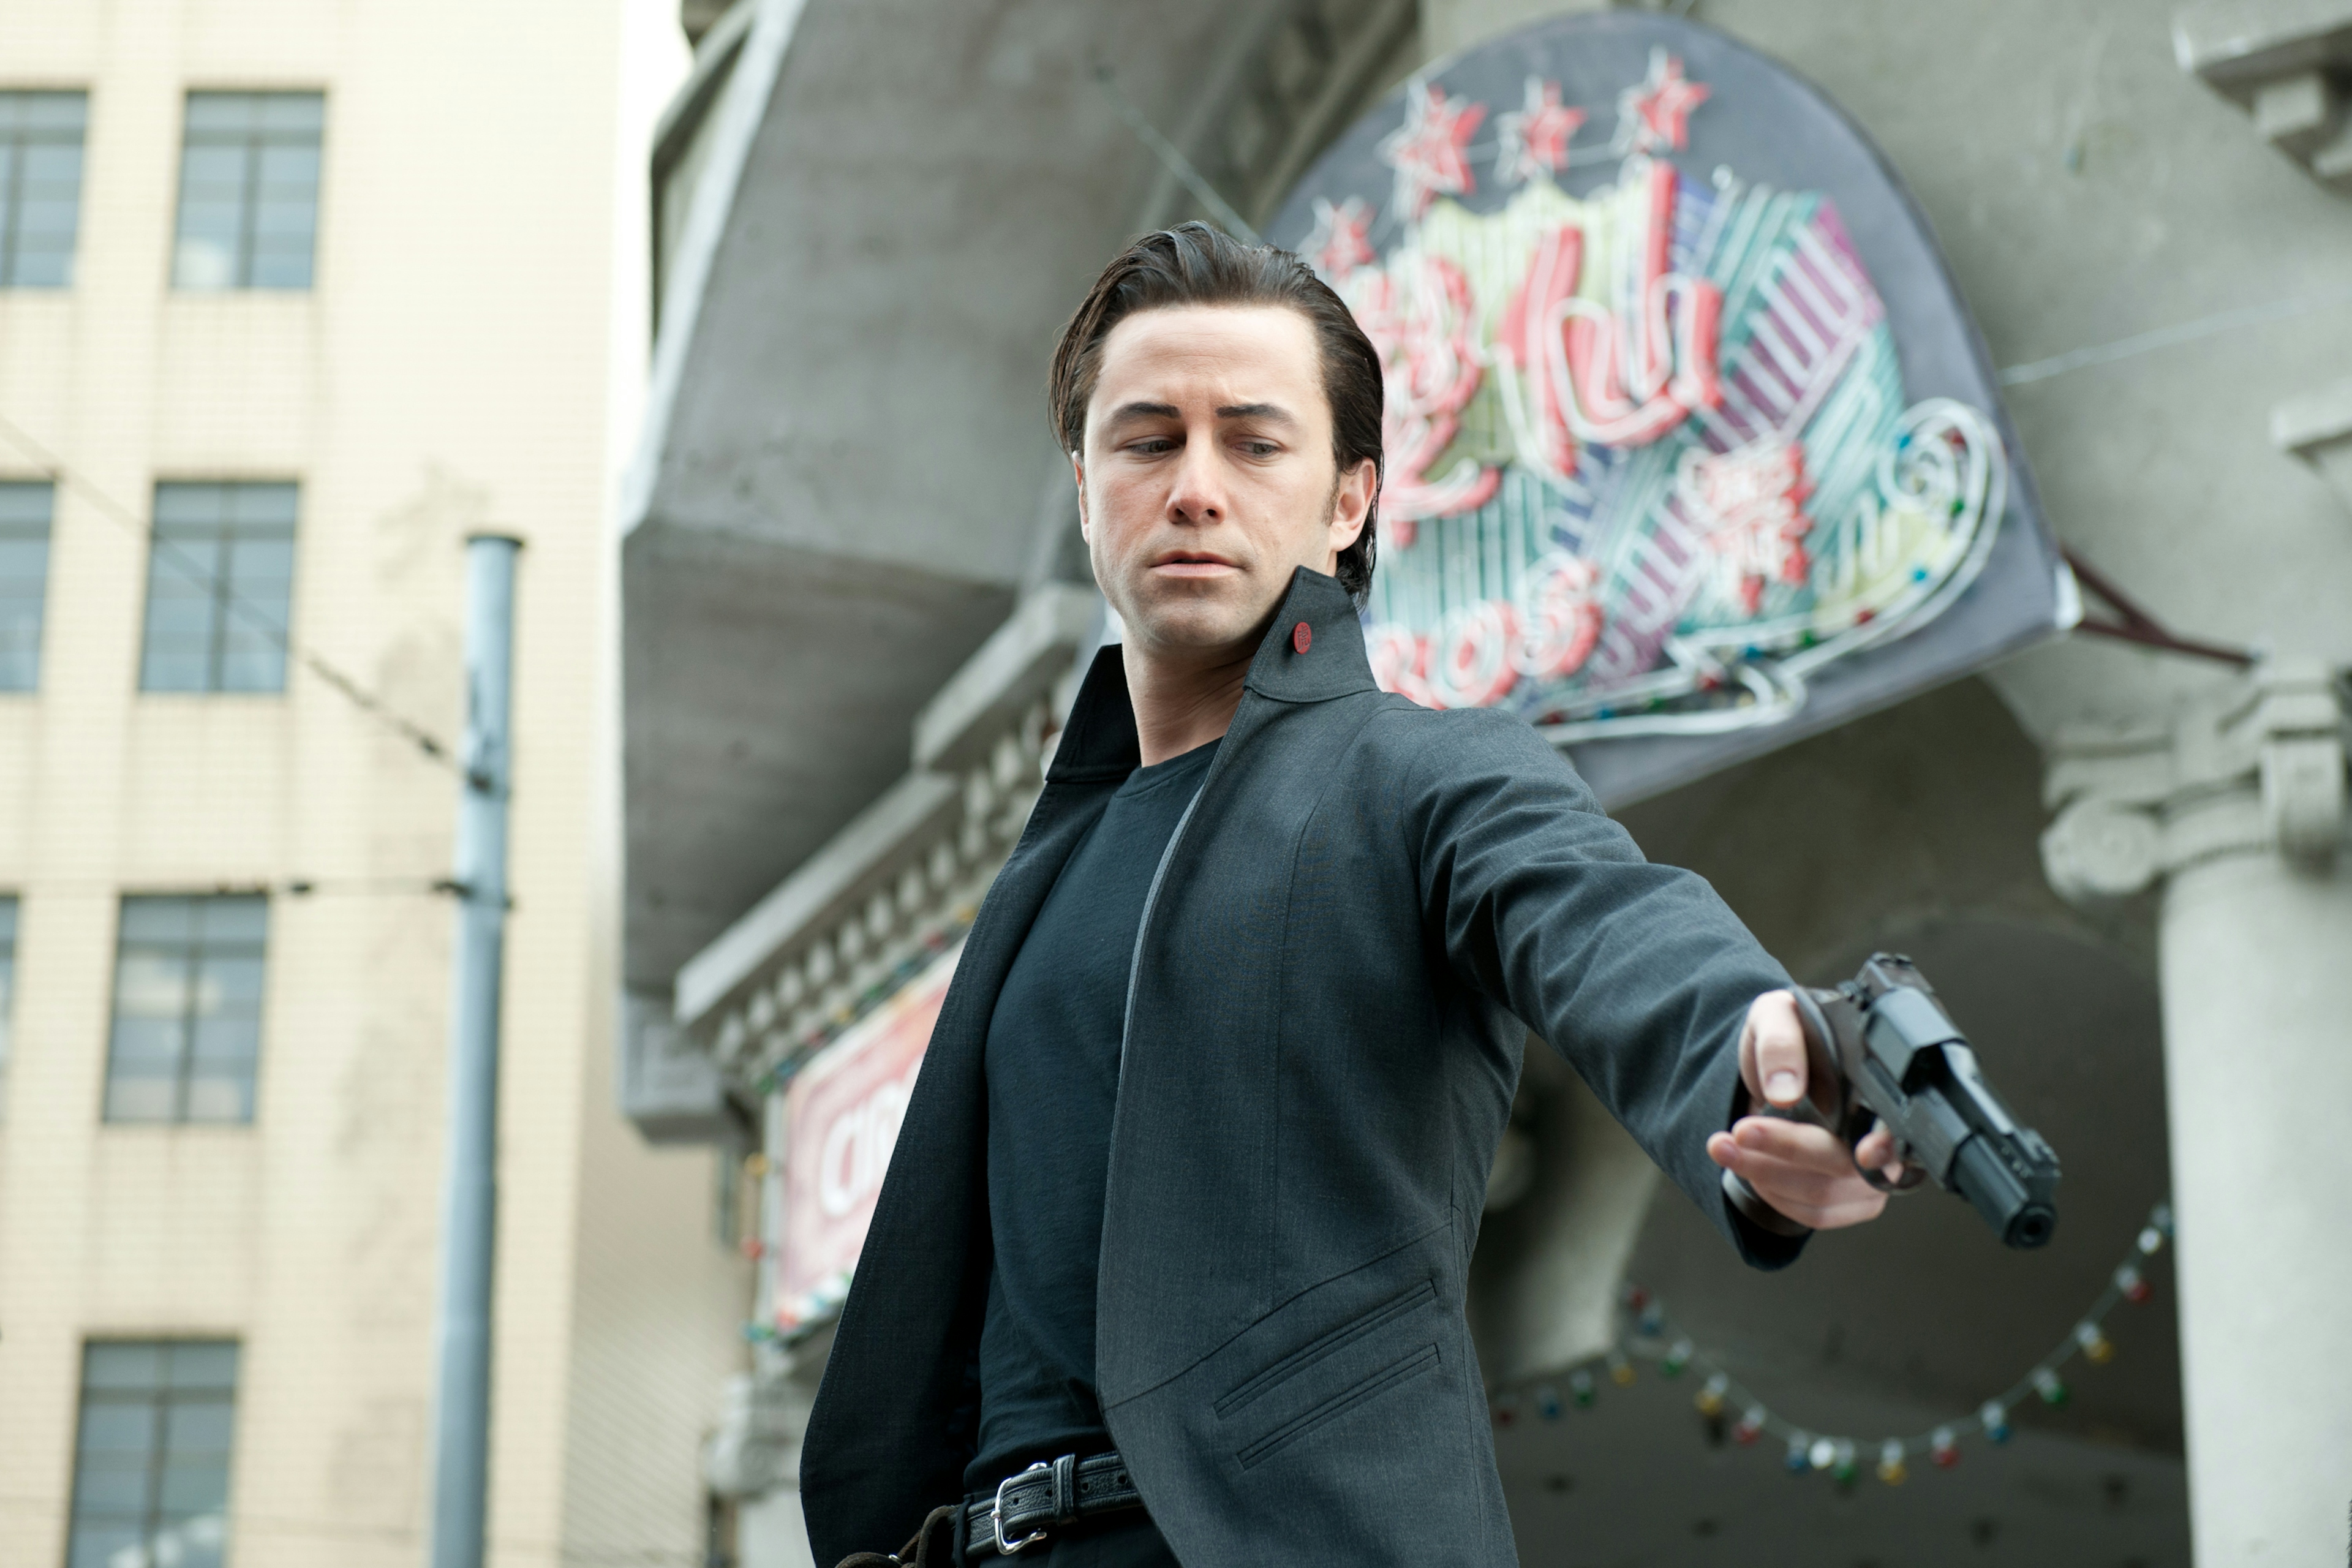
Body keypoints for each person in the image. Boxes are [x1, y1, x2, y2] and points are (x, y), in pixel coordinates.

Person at [802, 223, 1902, 1568]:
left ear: (1349, 499)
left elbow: (1601, 918)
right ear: (1087, 487)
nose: (1195, 489)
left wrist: (1756, 1052)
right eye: (1148, 441)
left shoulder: (1418, 777)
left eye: (1254, 443)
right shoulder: (1047, 871)